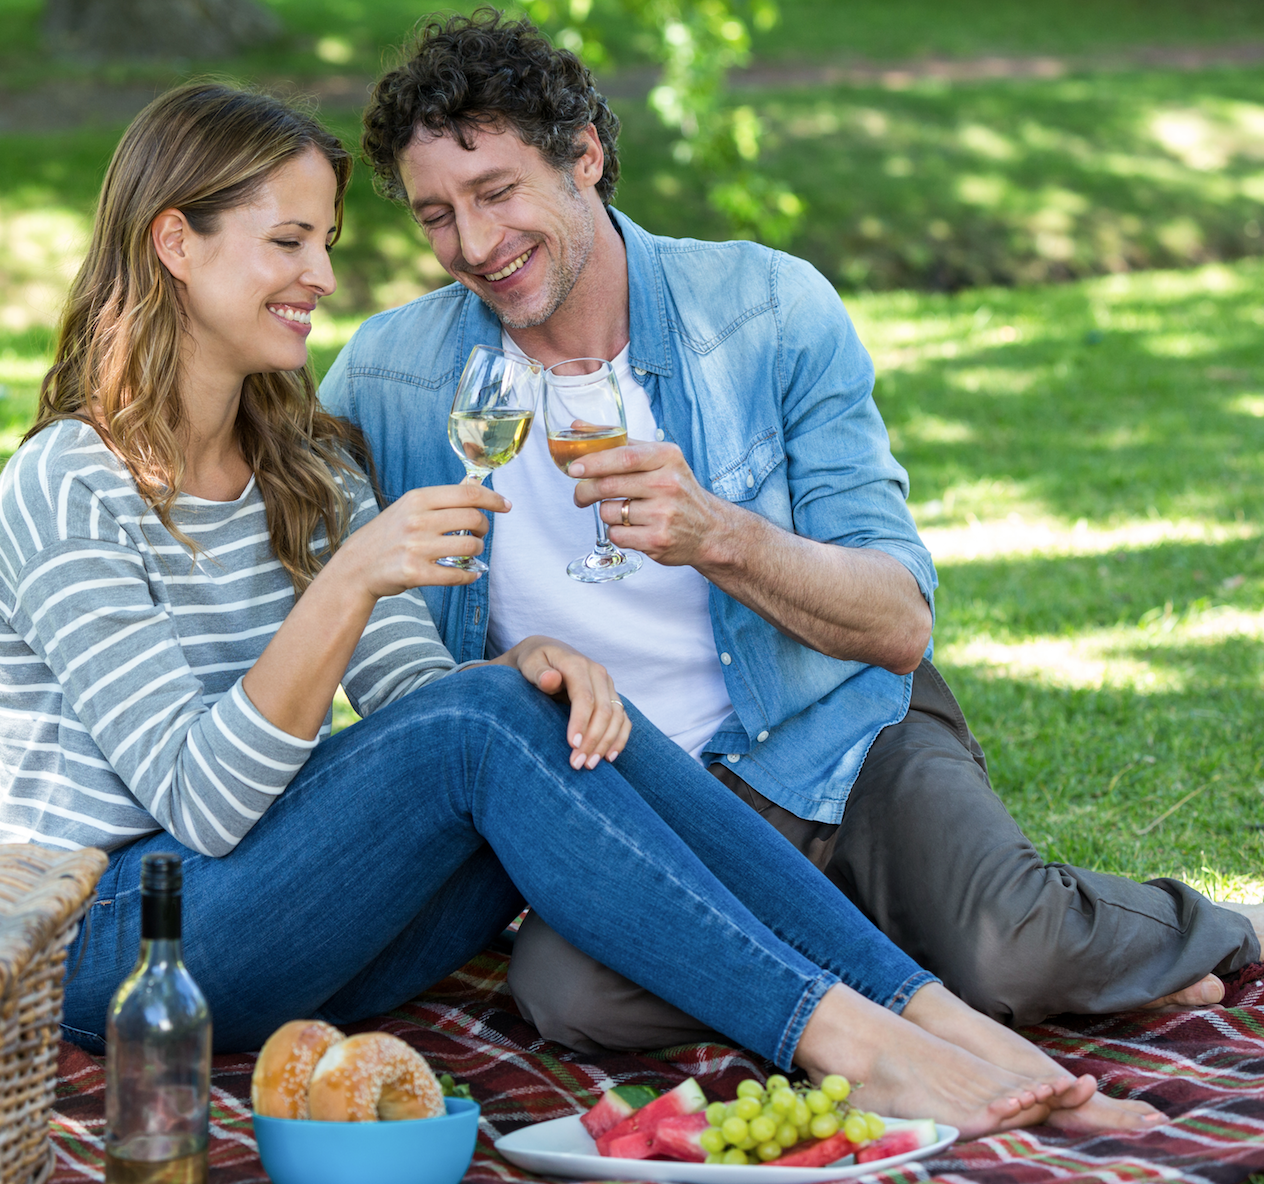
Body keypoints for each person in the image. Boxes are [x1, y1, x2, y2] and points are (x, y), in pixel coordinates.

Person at [0, 81, 1160, 1137]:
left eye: (326, 240)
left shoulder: (304, 461)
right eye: (288, 241)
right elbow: (201, 802)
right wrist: (351, 582)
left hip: (293, 920)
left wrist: (534, 660)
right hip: (128, 934)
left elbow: (410, 706)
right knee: (493, 715)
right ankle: (857, 1043)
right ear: (174, 241)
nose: (324, 277)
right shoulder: (69, 486)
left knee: (532, 700)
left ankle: (946, 1020)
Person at [320, 11, 1261, 1055]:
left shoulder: (769, 307)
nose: (476, 246)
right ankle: (895, 959)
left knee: (1015, 951)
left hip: (842, 738)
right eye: (437, 216)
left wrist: (720, 534)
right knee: (573, 998)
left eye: (497, 193)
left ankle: (1192, 935)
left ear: (583, 156)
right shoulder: (390, 375)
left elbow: (899, 620)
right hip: (645, 798)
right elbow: (263, 478)